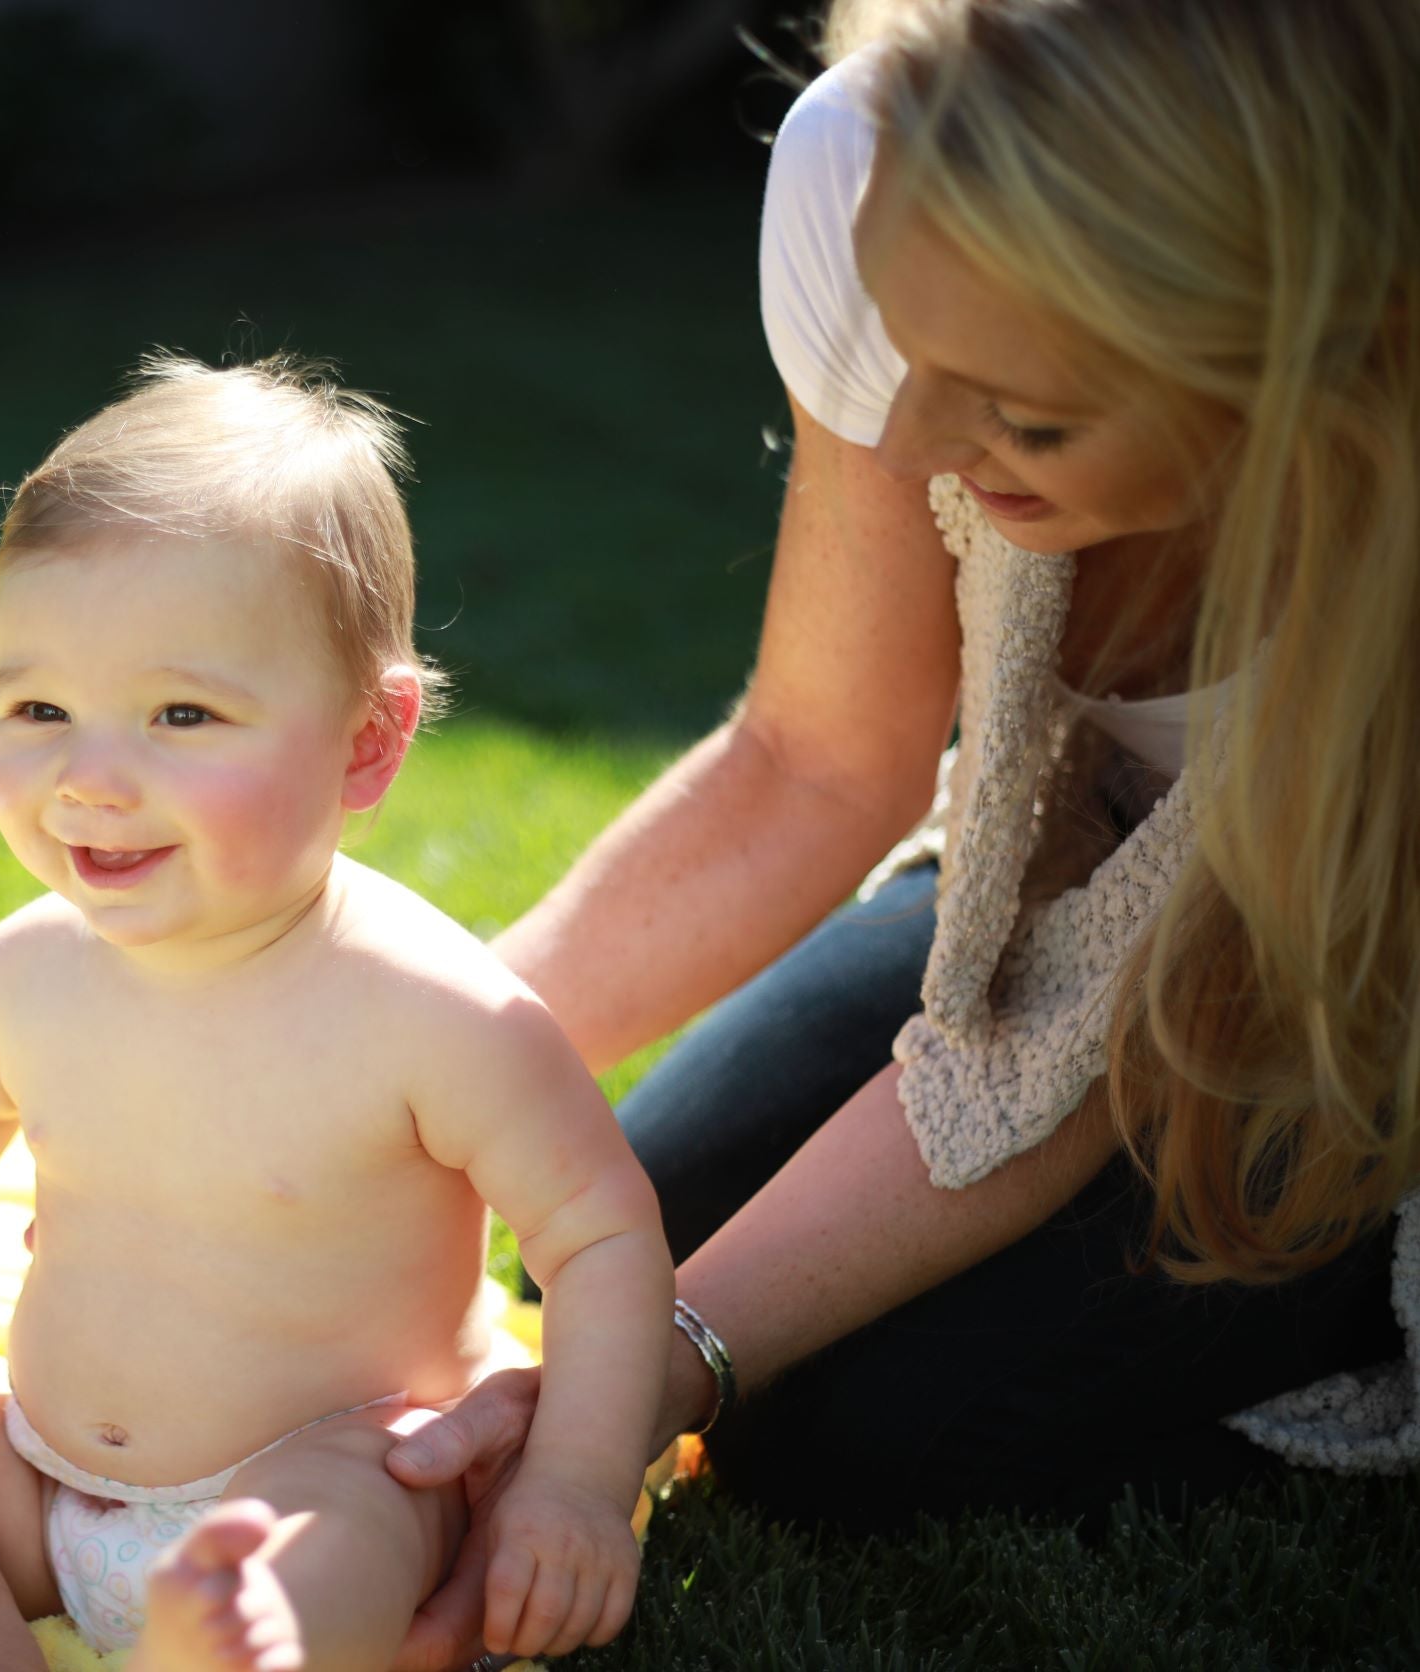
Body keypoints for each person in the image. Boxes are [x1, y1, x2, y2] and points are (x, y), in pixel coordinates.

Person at [384, 0, 1420, 1664]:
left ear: (1296, 355)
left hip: (1344, 1003)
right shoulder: (887, 166)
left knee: (851, 1437)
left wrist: (647, 1380)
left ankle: (1349, 1331)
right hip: (1027, 888)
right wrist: (381, 1069)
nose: (917, 443)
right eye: (911, 351)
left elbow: (1101, 1063)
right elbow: (812, 755)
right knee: (637, 1203)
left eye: (1026, 413)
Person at [0, 354, 674, 1670]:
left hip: (338, 1471)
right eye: (40, 708)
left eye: (180, 713)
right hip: (46, 1468)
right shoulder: (21, 979)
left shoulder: (436, 1015)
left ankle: (233, 1643)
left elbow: (600, 1238)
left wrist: (573, 1487)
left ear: (368, 740)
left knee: (341, 1548)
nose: (89, 777)